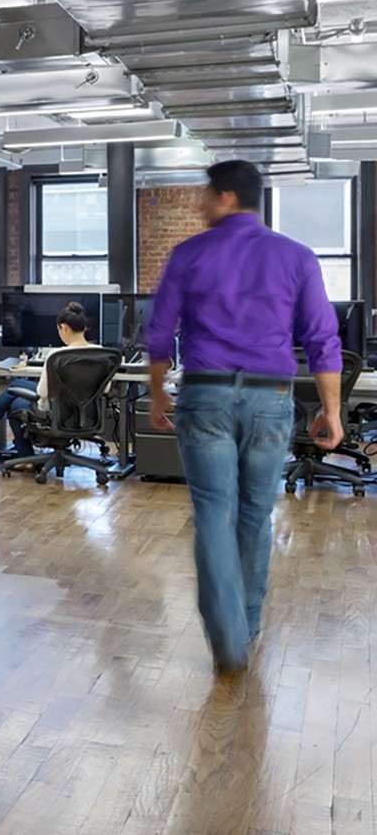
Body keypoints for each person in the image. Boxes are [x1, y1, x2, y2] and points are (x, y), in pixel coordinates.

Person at [143, 160, 343, 675]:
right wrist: (332, 410)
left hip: (206, 395)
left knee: (214, 511)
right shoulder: (296, 257)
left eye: (205, 194)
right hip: (269, 397)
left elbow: (159, 332)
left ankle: (227, 634)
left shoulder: (189, 254)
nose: (199, 204)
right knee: (255, 514)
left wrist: (158, 393)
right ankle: (247, 627)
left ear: (227, 197)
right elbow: (322, 338)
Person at [0, 300, 99, 451]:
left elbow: (43, 392)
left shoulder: (57, 355)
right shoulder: (100, 353)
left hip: (57, 411)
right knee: (16, 390)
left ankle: (24, 455)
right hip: (88, 413)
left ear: (63, 328)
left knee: (15, 402)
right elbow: (105, 388)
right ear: (84, 328)